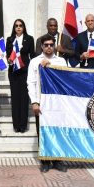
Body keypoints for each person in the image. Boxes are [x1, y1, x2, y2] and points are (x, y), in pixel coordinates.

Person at [27, 34, 68, 173]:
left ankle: (58, 160)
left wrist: (50, 65)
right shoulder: (34, 61)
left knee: (58, 131)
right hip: (42, 103)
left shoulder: (61, 61)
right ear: (41, 46)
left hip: (58, 103)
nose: (49, 47)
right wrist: (34, 102)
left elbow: (65, 79)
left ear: (54, 46)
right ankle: (45, 161)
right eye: (46, 45)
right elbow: (31, 83)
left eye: (51, 45)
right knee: (42, 132)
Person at [5, 19, 34, 133]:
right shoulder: (10, 39)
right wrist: (9, 60)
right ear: (14, 27)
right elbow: (8, 55)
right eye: (16, 26)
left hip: (25, 71)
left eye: (20, 25)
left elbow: (32, 55)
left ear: (23, 27)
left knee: (24, 97)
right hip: (14, 72)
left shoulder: (29, 39)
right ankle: (16, 125)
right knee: (15, 97)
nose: (18, 27)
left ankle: (23, 125)